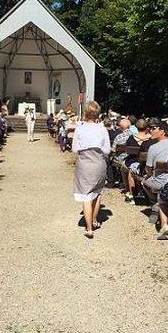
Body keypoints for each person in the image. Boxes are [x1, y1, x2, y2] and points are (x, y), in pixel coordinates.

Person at [72, 101, 110, 238]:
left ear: (85, 113)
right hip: (99, 162)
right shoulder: (102, 129)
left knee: (86, 195)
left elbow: (74, 149)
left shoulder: (80, 129)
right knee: (97, 192)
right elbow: (107, 150)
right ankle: (94, 220)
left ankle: (88, 228)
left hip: (84, 163)